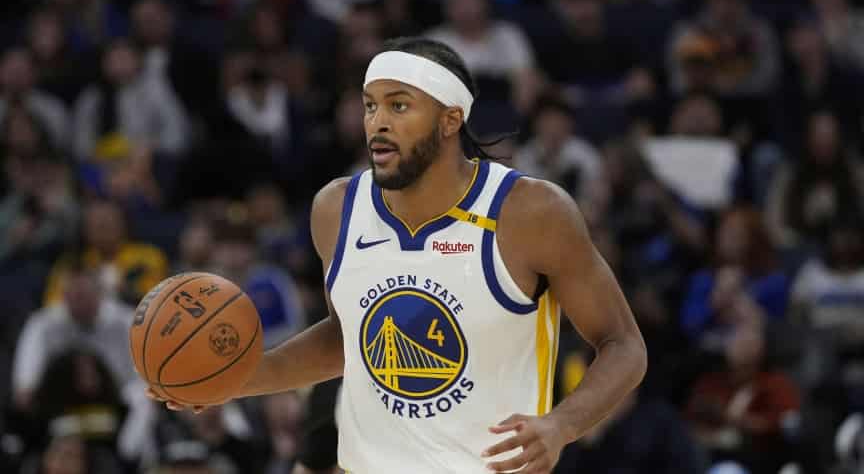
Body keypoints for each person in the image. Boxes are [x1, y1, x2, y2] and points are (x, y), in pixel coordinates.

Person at [150, 36, 647, 473]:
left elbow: (624, 345)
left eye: (399, 106)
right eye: (370, 106)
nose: (378, 123)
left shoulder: (529, 212)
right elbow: (349, 339)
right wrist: (227, 381)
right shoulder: (337, 209)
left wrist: (561, 425)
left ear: (450, 119)